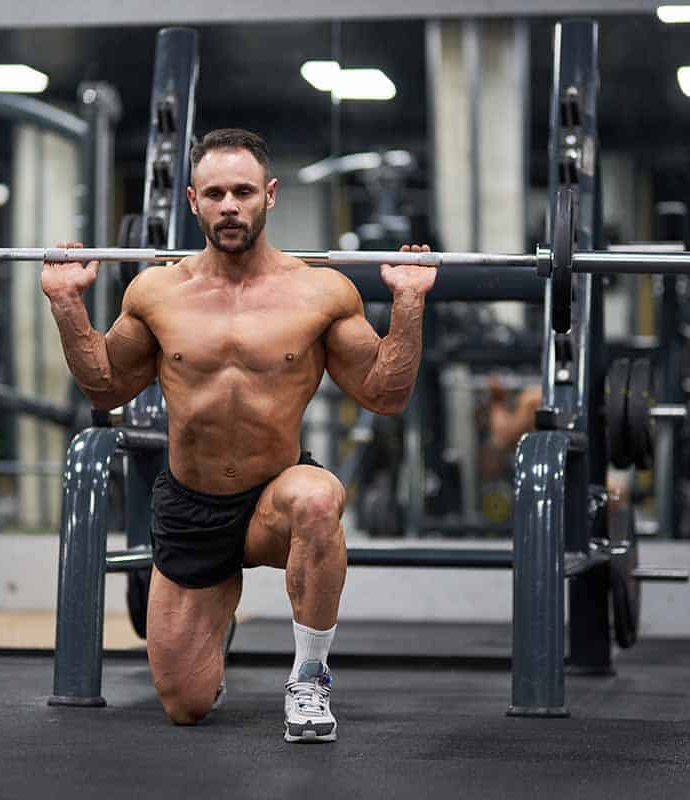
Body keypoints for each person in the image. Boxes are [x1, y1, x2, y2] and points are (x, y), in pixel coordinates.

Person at [41, 128, 437, 743]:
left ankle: (310, 677)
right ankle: (213, 613)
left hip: (272, 499)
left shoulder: (320, 292)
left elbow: (386, 395)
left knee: (316, 497)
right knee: (184, 704)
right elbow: (106, 388)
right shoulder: (155, 291)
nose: (231, 205)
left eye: (244, 192)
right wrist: (67, 304)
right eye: (217, 193)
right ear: (194, 199)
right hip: (190, 507)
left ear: (269, 196)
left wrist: (408, 303)